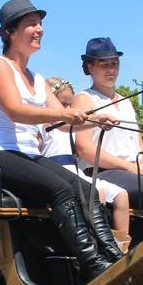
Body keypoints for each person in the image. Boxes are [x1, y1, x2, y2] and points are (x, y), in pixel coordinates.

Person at [0, 0, 123, 281]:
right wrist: (67, 115)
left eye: (40, 23)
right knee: (61, 190)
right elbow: (15, 111)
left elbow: (59, 122)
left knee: (84, 188)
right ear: (9, 32)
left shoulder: (37, 79)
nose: (39, 29)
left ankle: (112, 256)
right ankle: (95, 265)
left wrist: (93, 120)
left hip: (25, 155)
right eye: (31, 24)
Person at [72, 37, 143, 209]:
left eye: (114, 64)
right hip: (103, 172)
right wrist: (129, 167)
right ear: (90, 67)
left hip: (135, 170)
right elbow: (83, 148)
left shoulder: (126, 101)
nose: (111, 70)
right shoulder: (85, 99)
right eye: (104, 65)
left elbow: (138, 142)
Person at [43, 76, 131, 239]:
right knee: (98, 193)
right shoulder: (46, 124)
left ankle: (122, 245)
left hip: (75, 170)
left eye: (71, 104)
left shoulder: (73, 126)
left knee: (122, 195)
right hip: (56, 170)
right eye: (63, 104)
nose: (69, 108)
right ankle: (99, 245)